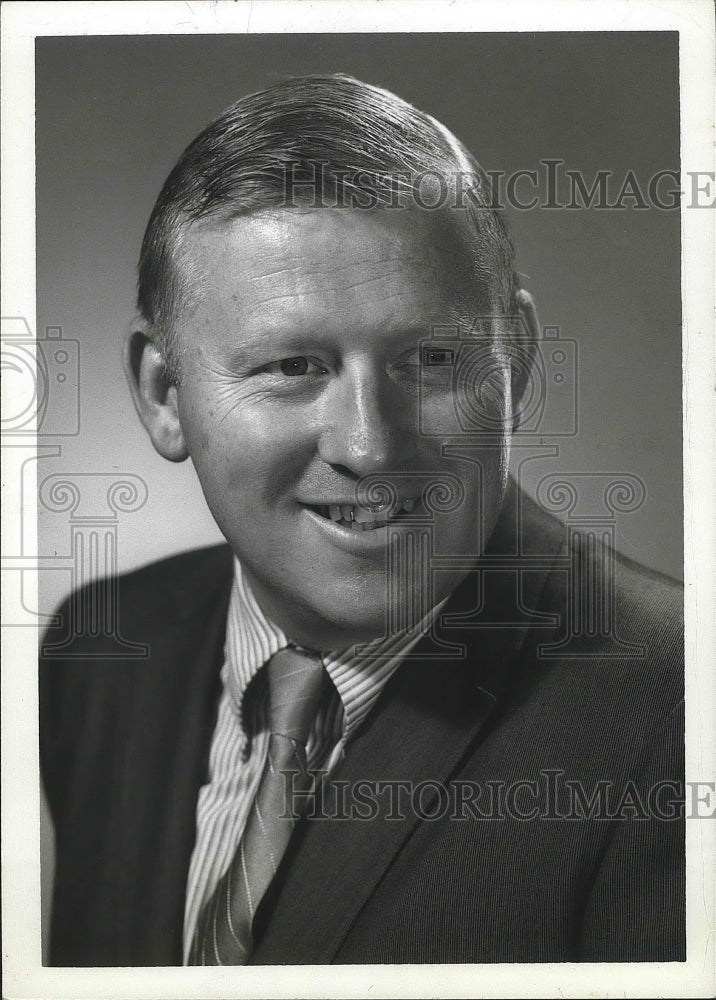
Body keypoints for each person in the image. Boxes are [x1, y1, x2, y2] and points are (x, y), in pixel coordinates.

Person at [39, 74, 684, 967]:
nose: (369, 445)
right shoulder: (96, 656)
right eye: (294, 365)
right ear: (162, 394)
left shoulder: (681, 710)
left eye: (432, 357)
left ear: (520, 364)